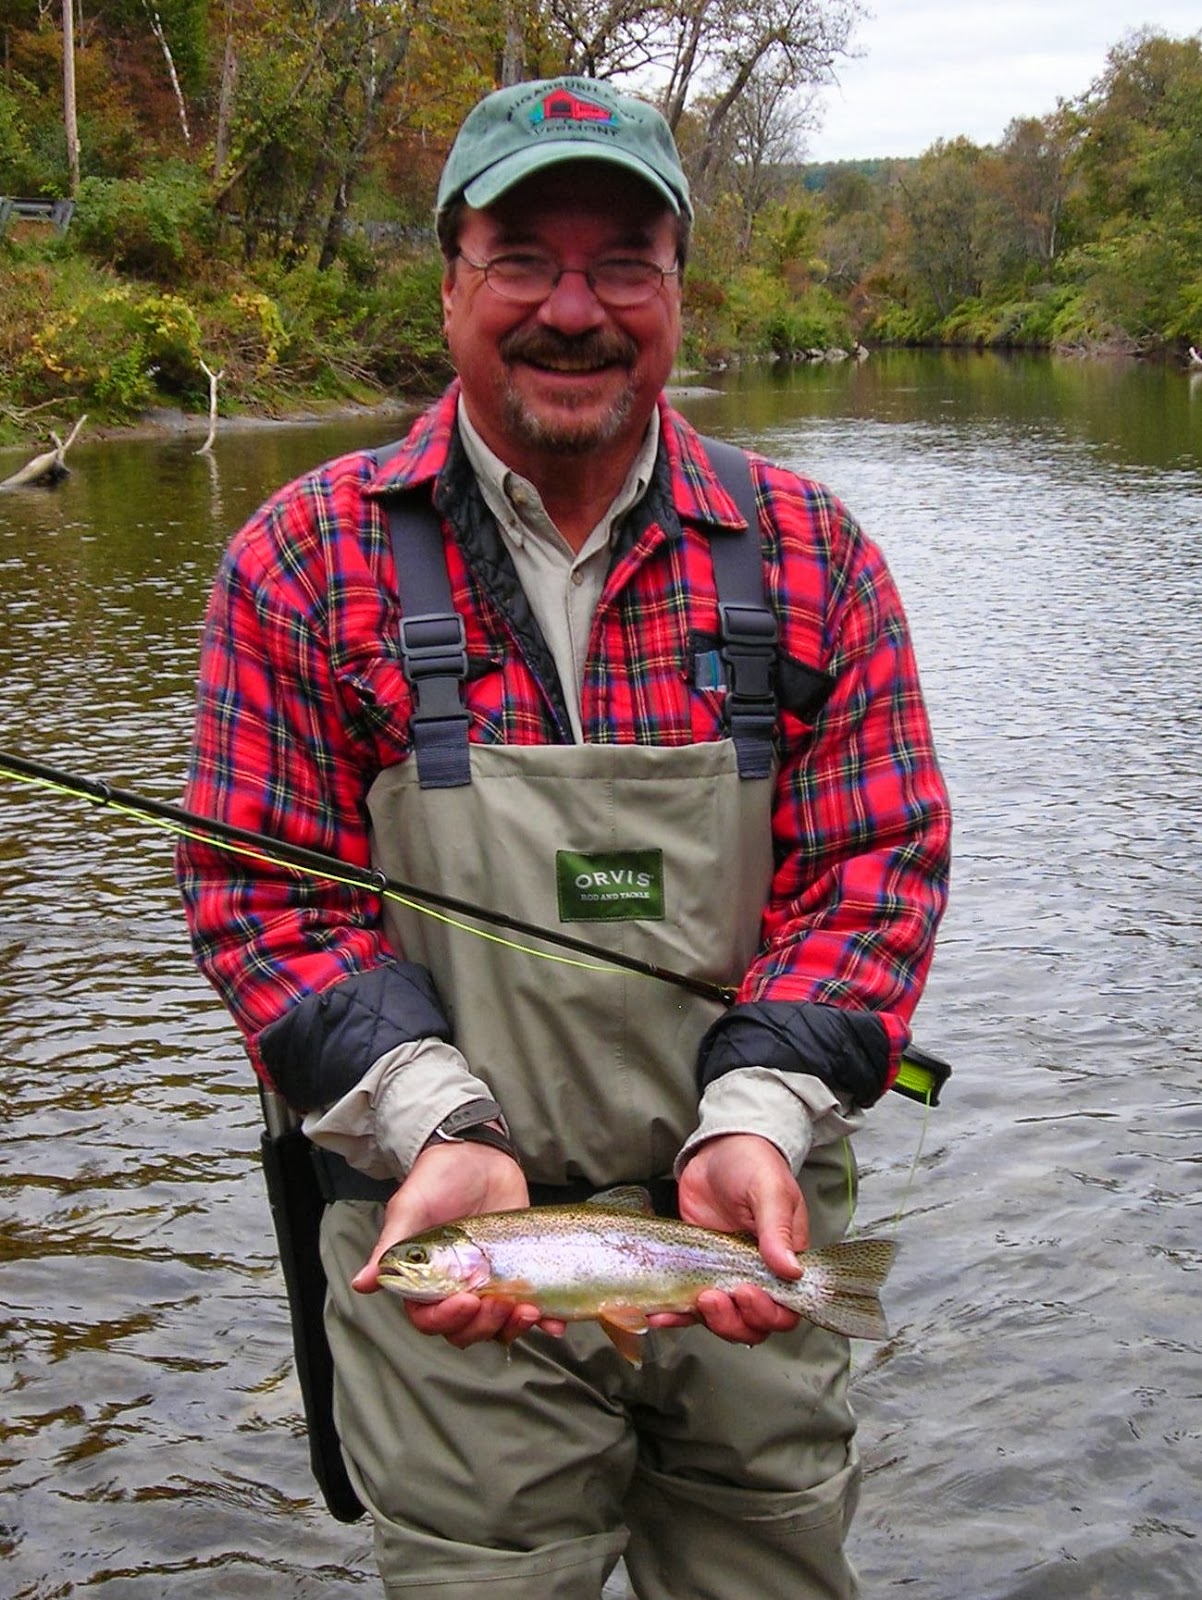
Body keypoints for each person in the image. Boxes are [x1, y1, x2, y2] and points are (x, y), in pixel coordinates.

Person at [177, 74, 951, 1600]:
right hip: (434, 1210)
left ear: (677, 289)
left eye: (621, 264)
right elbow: (260, 902)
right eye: (522, 256)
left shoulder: (810, 555)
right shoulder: (303, 556)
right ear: (451, 277)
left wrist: (760, 1118)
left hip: (748, 1224)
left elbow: (875, 876)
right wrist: (440, 1130)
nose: (571, 309)